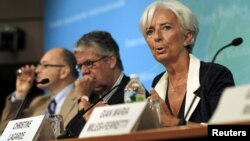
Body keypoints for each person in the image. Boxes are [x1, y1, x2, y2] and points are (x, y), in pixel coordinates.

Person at [139, 0, 235, 127]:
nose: (156, 37)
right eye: (149, 31)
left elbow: (231, 131)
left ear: (187, 37)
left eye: (166, 27)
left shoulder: (215, 75)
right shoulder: (157, 83)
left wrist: (176, 124)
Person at [59, 30, 150, 138]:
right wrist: (83, 99)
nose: (83, 71)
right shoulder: (91, 95)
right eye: (80, 66)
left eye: (89, 63)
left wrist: (82, 100)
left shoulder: (134, 91)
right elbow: (67, 136)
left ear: (111, 61)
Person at [0, 48, 79, 135]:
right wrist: (20, 93)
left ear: (64, 71)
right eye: (39, 65)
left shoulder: (83, 98)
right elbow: (5, 133)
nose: (37, 71)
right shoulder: (38, 102)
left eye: (45, 65)